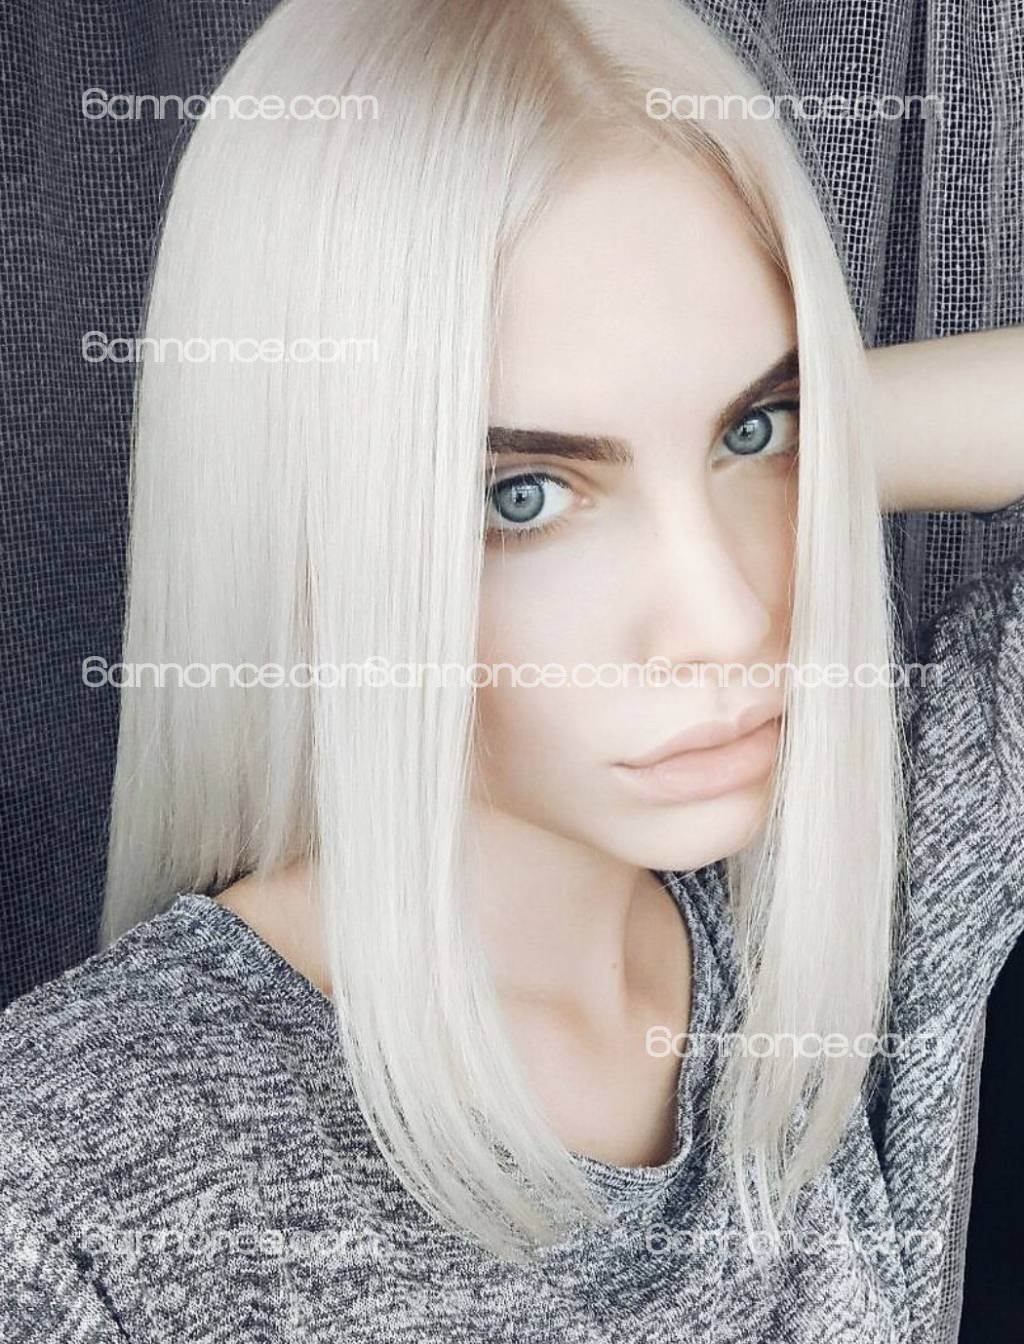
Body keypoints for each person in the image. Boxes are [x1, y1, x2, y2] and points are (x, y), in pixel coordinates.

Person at [1, 0, 1021, 1339]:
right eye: (522, 496)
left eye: (759, 430)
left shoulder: (867, 869)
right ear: (311, 530)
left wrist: (802, 422)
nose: (725, 621)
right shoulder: (72, 1196)